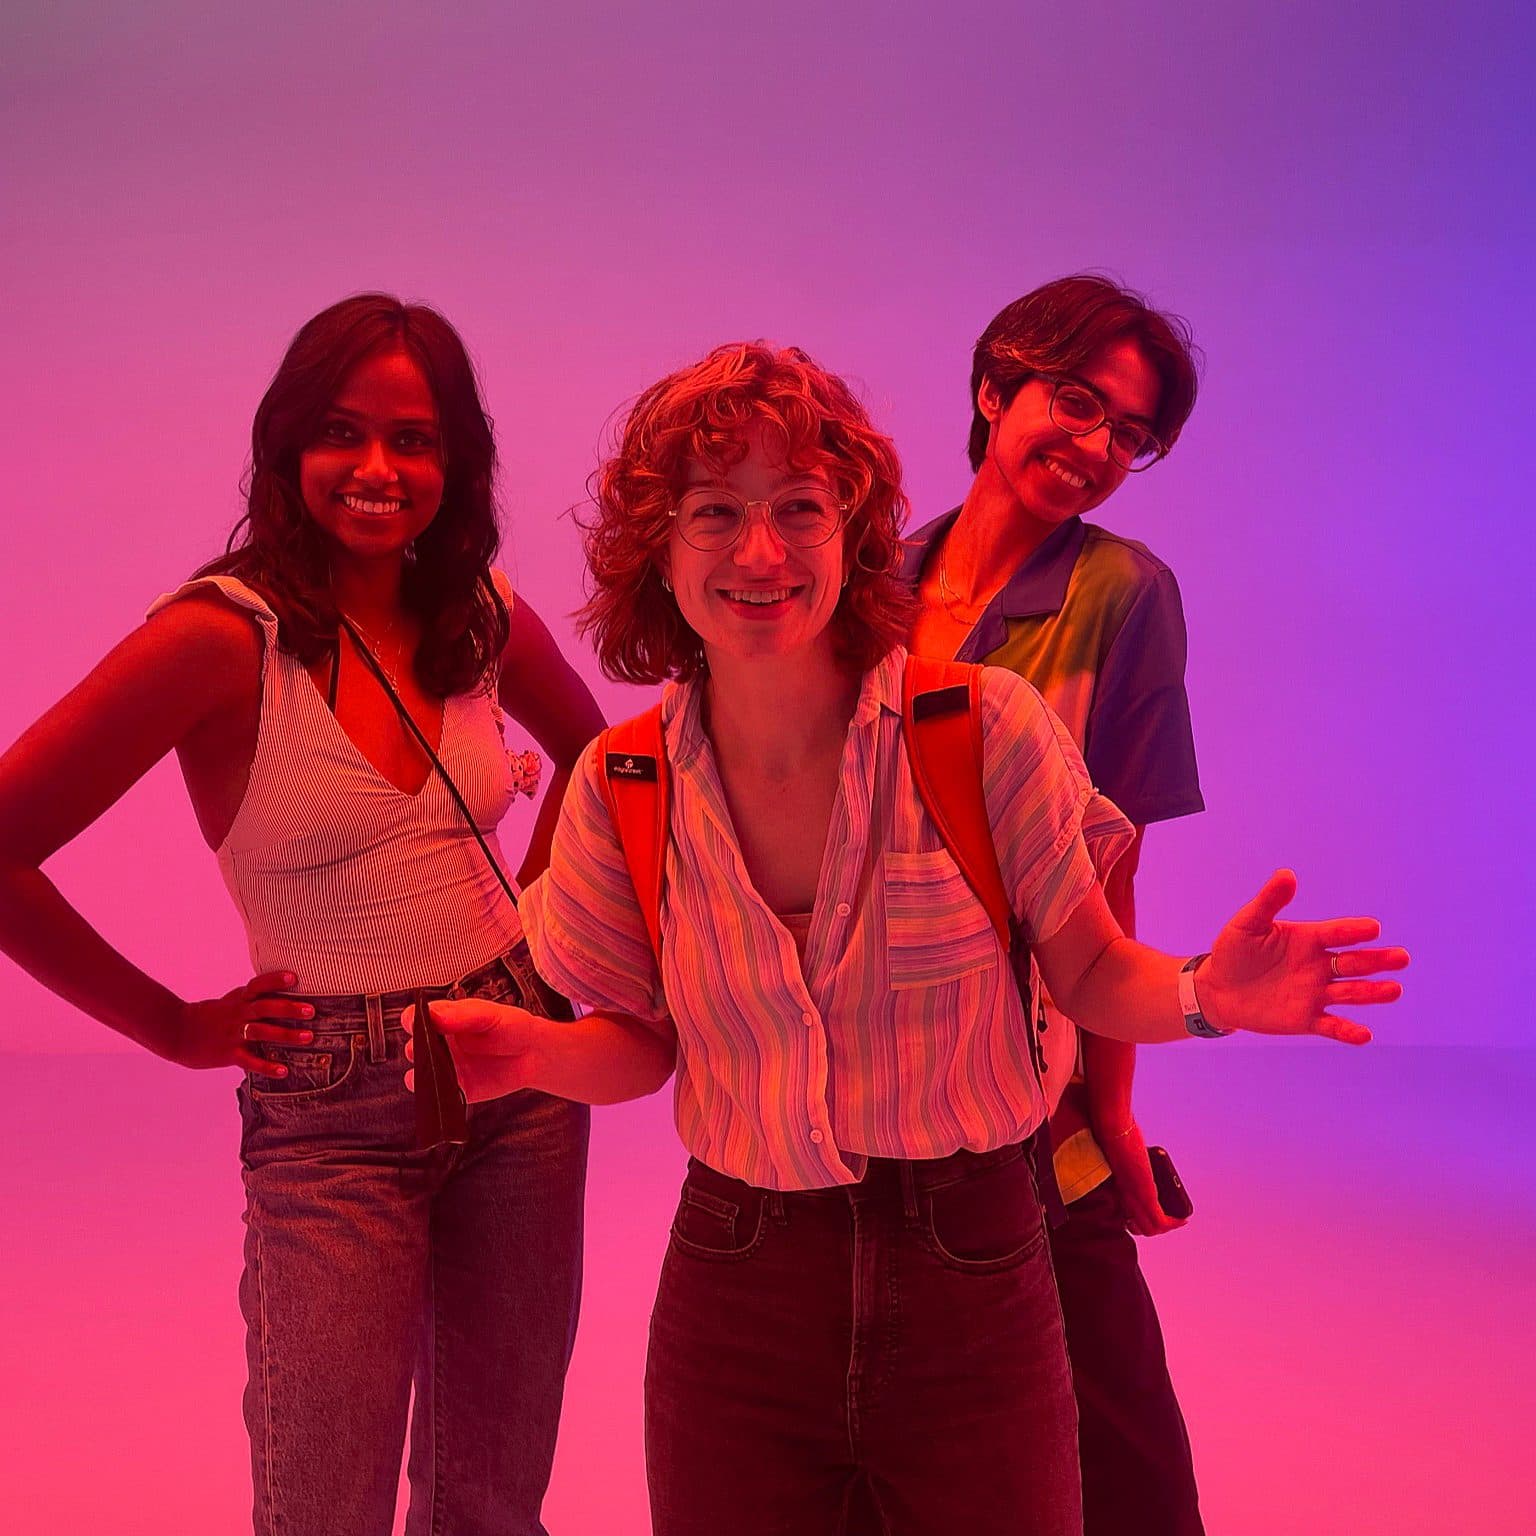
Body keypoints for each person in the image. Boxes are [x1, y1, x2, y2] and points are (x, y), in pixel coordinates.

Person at [410, 341, 1407, 1536]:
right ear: (657, 551)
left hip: (976, 1271)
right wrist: (529, 1058)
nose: (762, 552)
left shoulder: (980, 728)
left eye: (800, 509)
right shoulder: (625, 782)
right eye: (715, 513)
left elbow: (1088, 971)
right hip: (739, 1288)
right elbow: (644, 1044)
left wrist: (1207, 992)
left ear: (856, 532)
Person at [0, 294, 605, 1536]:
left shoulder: (478, 611)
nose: (380, 469)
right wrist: (173, 1025)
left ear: (456, 462)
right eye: (343, 432)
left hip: (523, 1079)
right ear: (287, 448)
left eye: (416, 440)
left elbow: (604, 767)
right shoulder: (220, 639)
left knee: (493, 1503)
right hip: (335, 1111)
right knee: (322, 1508)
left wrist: (545, 946)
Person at [904, 273, 1209, 1534]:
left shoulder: (1121, 595)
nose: (1095, 448)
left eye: (1129, 434)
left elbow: (1115, 861)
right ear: (994, 389)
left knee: (1116, 1429)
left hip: (1035, 1058)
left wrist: (1115, 1100)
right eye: (1077, 404)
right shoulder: (870, 574)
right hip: (870, 1063)